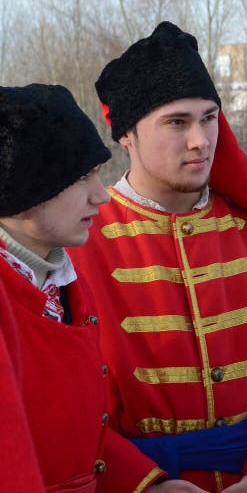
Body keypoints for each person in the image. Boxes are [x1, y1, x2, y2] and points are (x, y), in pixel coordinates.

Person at [68, 22, 247, 493]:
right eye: (176, 122)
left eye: (208, 118)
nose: (201, 140)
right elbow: (61, 403)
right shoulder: (78, 247)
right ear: (126, 135)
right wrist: (144, 484)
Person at [0, 84, 164, 491]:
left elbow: (82, 434)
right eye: (82, 177)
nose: (101, 196)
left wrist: (147, 484)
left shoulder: (61, 281)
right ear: (26, 187)